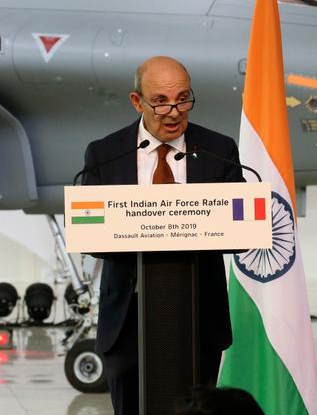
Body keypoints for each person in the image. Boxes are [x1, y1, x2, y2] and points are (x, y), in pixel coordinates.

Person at [81, 56, 243, 415]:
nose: (174, 112)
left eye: (183, 99)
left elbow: (240, 229)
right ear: (137, 101)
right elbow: (91, 236)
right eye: (161, 102)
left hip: (199, 316)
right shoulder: (106, 154)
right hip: (128, 318)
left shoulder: (220, 150)